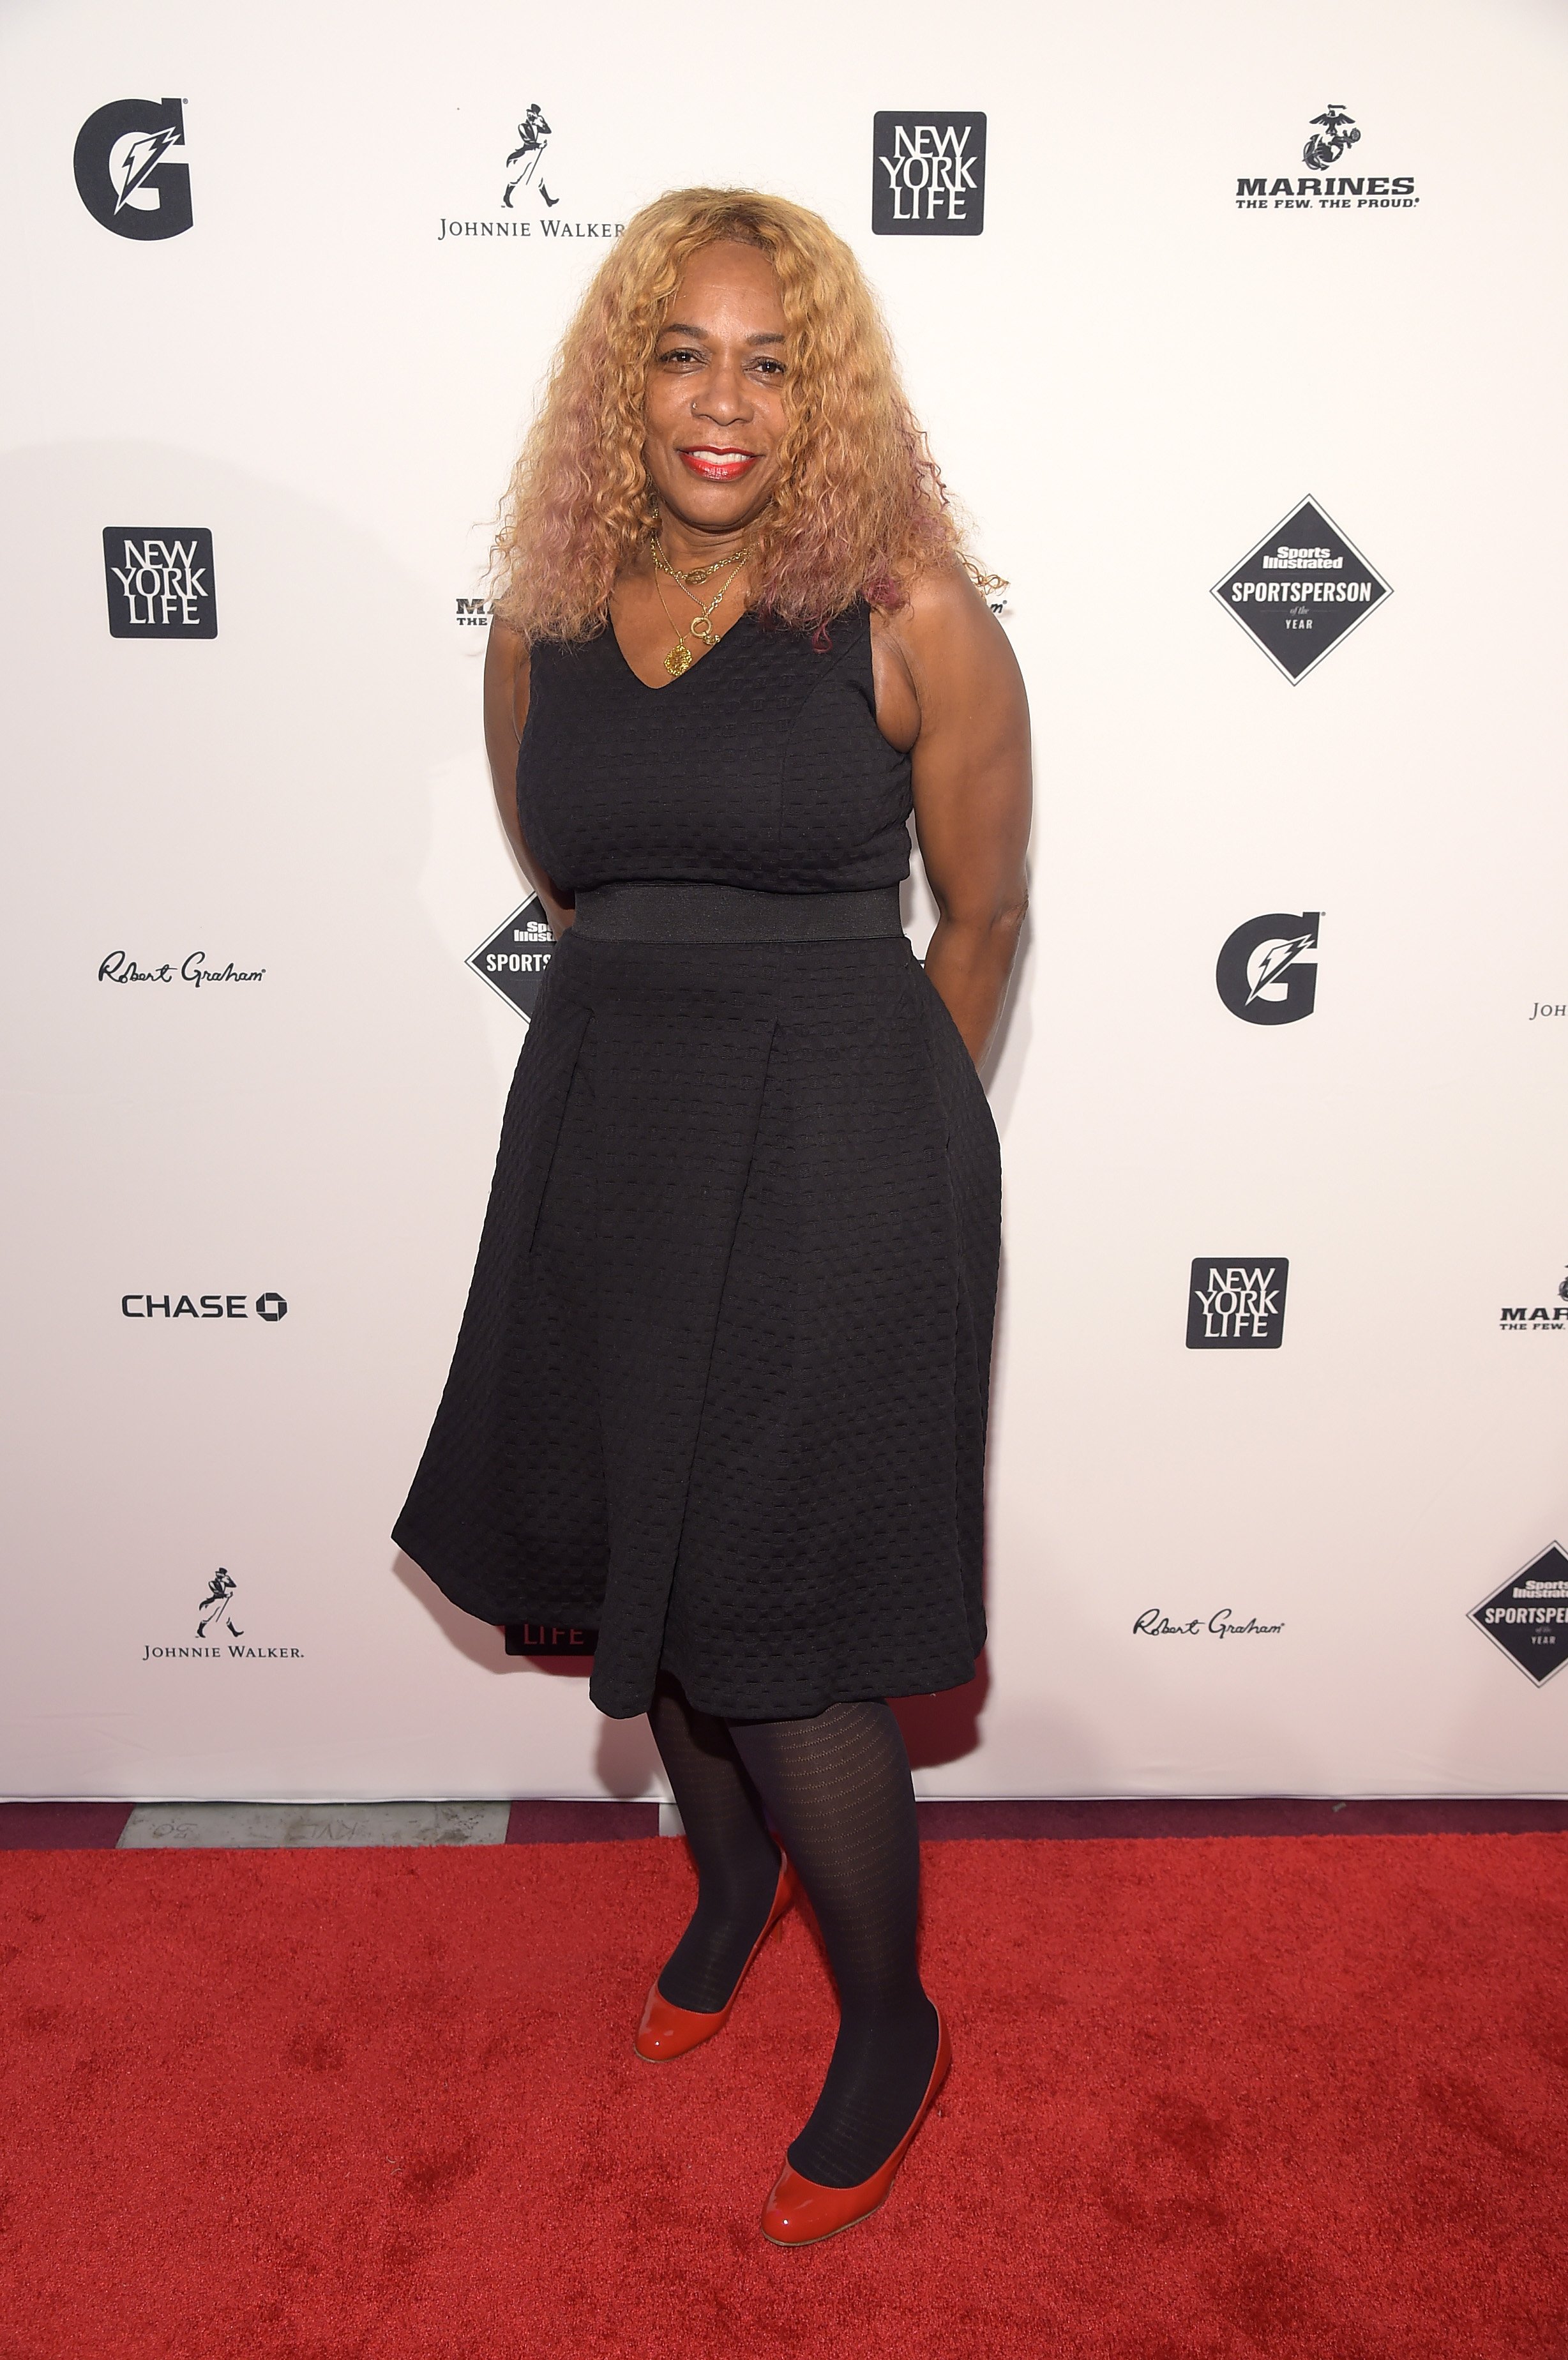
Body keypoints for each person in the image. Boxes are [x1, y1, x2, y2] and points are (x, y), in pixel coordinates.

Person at [395, 187, 1031, 2244]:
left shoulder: (908, 611)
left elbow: (986, 918)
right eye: (685, 353)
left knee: (790, 1621)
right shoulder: (542, 620)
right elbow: (576, 880)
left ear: (824, 390)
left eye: (772, 359)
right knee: (629, 1530)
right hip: (608, 1128)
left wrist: (878, 1134)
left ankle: (890, 2021)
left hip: (844, 1145)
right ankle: (731, 1877)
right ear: (625, 377)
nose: (725, 401)